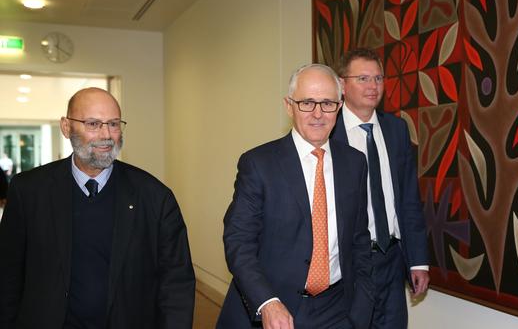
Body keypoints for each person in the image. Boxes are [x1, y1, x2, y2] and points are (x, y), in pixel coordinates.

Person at [0, 87, 195, 328]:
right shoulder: (28, 191)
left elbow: (176, 283)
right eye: (93, 124)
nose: (106, 135)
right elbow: (8, 275)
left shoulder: (155, 197)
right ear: (66, 127)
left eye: (113, 124)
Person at [216, 64, 374, 329]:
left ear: (339, 105)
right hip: (274, 309)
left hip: (337, 310)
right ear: (289, 106)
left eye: (327, 103)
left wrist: (361, 307)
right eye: (307, 103)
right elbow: (238, 241)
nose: (317, 114)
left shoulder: (355, 163)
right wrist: (267, 302)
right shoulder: (258, 164)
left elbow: (359, 240)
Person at [332, 48, 430, 329]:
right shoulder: (328, 134)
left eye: (378, 78)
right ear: (342, 84)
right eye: (362, 78)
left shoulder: (396, 130)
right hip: (351, 263)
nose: (373, 86)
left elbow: (409, 199)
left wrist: (419, 261)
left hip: (392, 259)